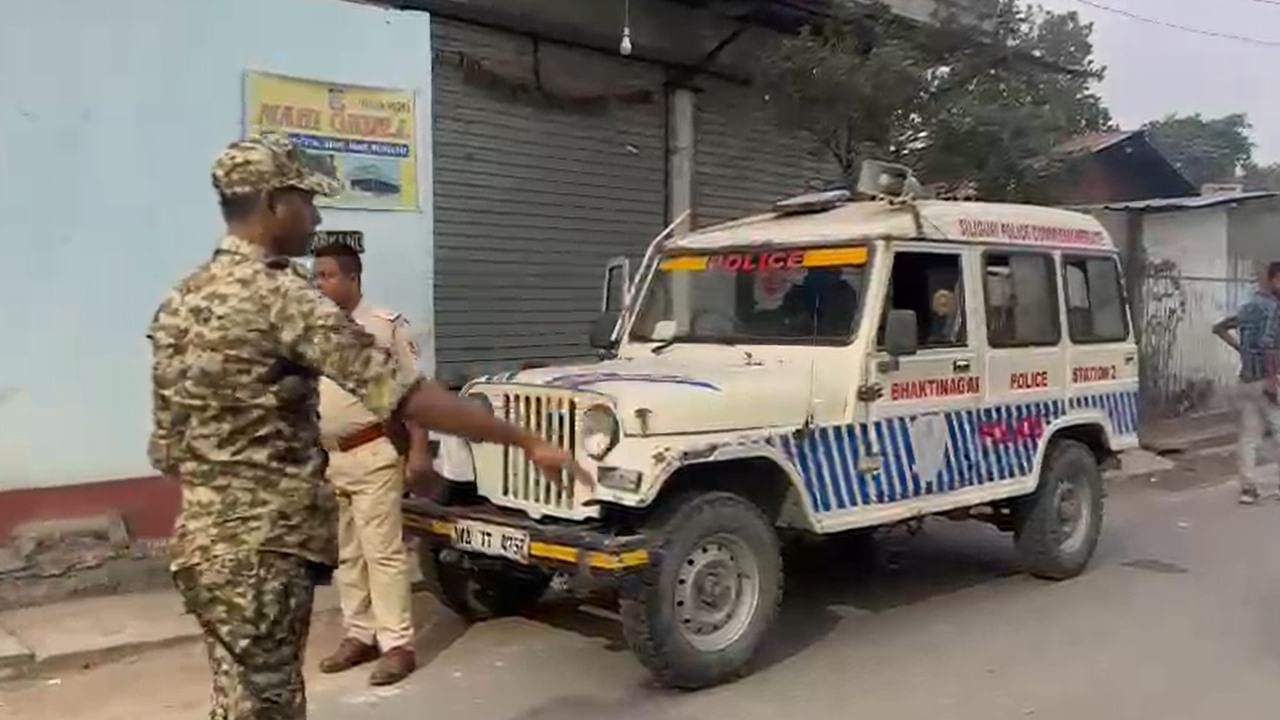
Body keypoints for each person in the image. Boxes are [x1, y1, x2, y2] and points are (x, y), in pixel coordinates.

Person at [148, 134, 578, 719]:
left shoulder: (181, 299)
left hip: (201, 546)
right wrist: (525, 439)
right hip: (261, 555)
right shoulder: (279, 297)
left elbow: (166, 446)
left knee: (237, 703)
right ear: (274, 203)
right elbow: (405, 395)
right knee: (268, 708)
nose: (317, 215)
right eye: (307, 200)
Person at [308, 239, 425, 685]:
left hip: (374, 451)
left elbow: (414, 395)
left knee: (382, 552)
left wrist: (418, 451)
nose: (319, 284)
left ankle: (397, 644)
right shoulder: (314, 331)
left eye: (328, 275)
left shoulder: (383, 327)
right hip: (331, 459)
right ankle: (360, 634)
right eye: (315, 276)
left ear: (354, 278)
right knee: (348, 554)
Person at [1213, 261, 1280, 505]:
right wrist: (1273, 380)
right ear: (1274, 280)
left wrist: (1240, 348)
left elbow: (1219, 328)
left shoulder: (1248, 307)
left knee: (1250, 436)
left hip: (1246, 380)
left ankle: (1248, 489)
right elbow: (1271, 347)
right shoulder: (1275, 309)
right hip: (1266, 379)